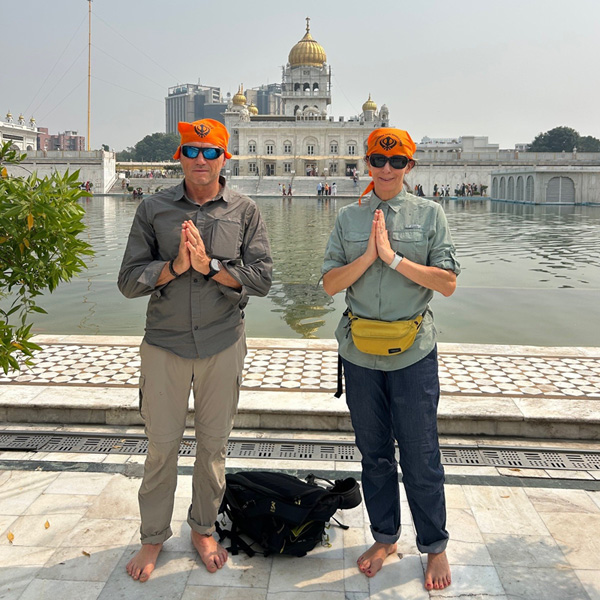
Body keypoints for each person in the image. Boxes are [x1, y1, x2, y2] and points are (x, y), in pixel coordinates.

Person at [118, 118, 272, 583]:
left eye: (210, 152)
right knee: (161, 447)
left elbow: (262, 279)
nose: (200, 160)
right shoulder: (154, 208)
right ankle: (153, 535)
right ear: (179, 156)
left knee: (213, 447)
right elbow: (128, 281)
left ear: (225, 158)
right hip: (165, 343)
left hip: (222, 342)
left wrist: (209, 267)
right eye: (191, 151)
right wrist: (173, 267)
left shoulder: (244, 210)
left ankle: (203, 528)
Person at [322, 127, 459, 591]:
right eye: (378, 160)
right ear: (367, 163)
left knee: (421, 453)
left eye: (396, 161)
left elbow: (447, 283)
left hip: (412, 351)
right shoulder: (349, 216)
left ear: (409, 166)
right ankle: (385, 537)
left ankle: (434, 545)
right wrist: (368, 257)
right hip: (361, 352)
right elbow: (329, 284)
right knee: (375, 453)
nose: (386, 168)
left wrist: (393, 258)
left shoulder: (429, 214)